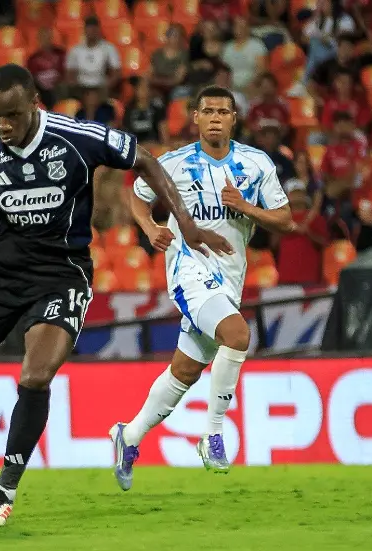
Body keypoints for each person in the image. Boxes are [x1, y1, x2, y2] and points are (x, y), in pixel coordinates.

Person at [0, 64, 230, 526]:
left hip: (61, 274)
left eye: (11, 116)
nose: (2, 125)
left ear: (33, 106)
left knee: (35, 375)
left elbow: (143, 158)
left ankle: (4, 489)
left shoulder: (76, 138)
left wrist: (182, 220)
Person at [109, 85, 294, 490]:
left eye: (222, 112)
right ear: (195, 118)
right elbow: (136, 196)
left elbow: (286, 220)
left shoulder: (255, 164)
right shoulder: (172, 164)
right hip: (188, 269)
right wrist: (149, 226)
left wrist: (245, 207)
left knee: (186, 371)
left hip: (231, 276)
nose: (214, 117)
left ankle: (129, 435)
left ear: (233, 119)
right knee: (238, 334)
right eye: (207, 111)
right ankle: (212, 434)